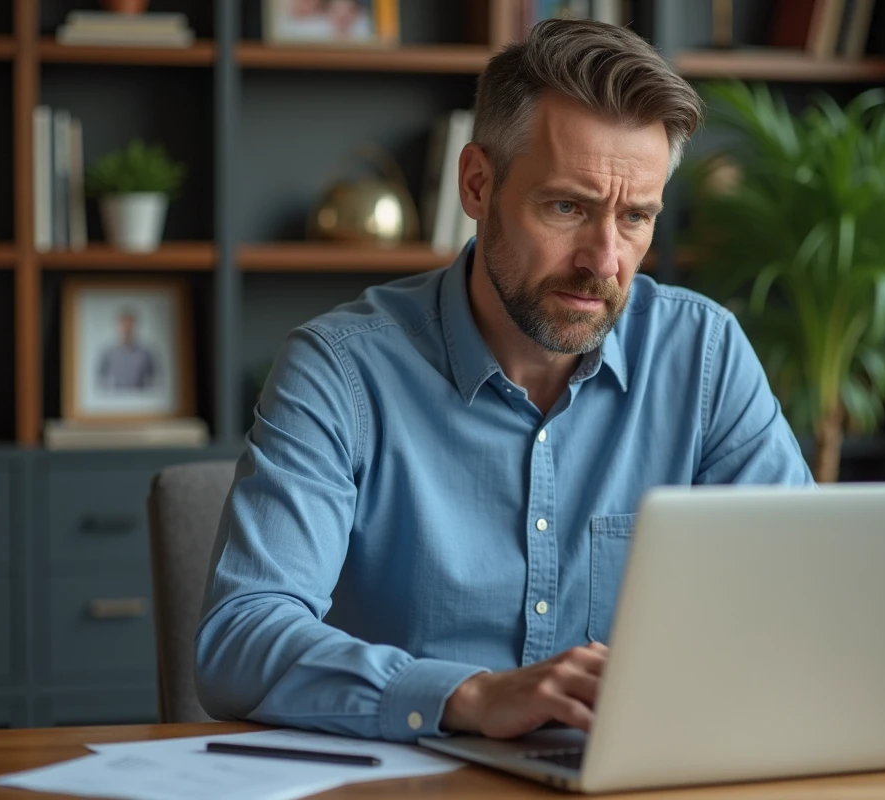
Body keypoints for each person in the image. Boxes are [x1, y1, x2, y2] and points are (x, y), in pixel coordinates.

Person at [196, 18, 813, 743]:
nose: (605, 260)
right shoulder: (341, 371)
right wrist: (468, 695)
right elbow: (237, 639)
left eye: (636, 217)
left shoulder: (703, 355)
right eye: (568, 207)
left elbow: (801, 600)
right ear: (478, 184)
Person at [96, 308, 157, 392]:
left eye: (129, 325)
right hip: (116, 400)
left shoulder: (146, 353)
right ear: (118, 327)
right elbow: (101, 378)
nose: (126, 329)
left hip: (140, 400)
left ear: (135, 326)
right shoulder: (108, 353)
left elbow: (153, 379)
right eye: (123, 325)